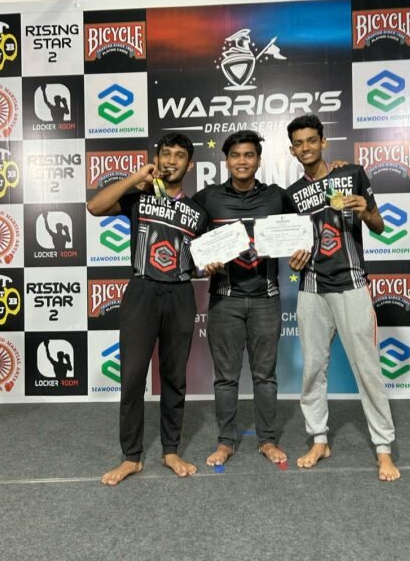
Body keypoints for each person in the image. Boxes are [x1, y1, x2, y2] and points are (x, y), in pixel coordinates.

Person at [87, 133, 208, 484]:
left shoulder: (198, 211)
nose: (172, 160)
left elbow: (204, 259)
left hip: (180, 293)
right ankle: (131, 457)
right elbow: (95, 207)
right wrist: (134, 178)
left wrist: (210, 264)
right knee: (132, 376)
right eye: (166, 154)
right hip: (141, 290)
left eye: (180, 155)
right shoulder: (139, 197)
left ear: (190, 165)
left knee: (174, 377)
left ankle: (171, 450)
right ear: (156, 159)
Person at [285, 114, 400, 481]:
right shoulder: (290, 195)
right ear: (292, 150)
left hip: (351, 283)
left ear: (323, 142)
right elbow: (292, 245)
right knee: (312, 369)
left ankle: (383, 449)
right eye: (298, 143)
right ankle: (318, 439)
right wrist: (292, 258)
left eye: (311, 140)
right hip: (311, 287)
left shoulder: (350, 174)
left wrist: (365, 211)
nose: (305, 147)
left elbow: (379, 225)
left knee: (367, 367)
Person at [192, 130, 309, 467]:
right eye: (235, 155)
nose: (242, 161)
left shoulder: (277, 196)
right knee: (225, 378)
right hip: (224, 300)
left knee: (265, 376)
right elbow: (186, 238)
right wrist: (202, 263)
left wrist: (301, 248)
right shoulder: (208, 197)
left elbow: (306, 225)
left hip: (266, 300)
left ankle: (267, 440)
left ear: (258, 160)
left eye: (248, 155)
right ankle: (225, 442)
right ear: (226, 161)